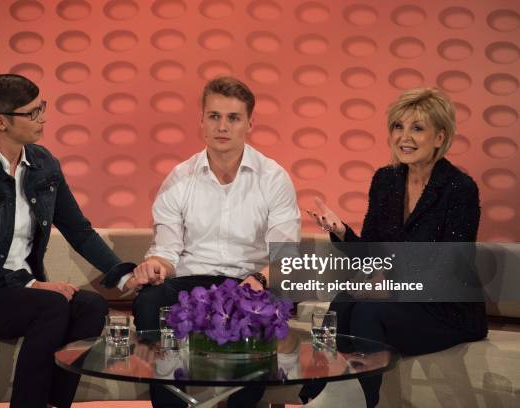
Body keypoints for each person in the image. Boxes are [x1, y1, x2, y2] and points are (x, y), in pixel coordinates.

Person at [0, 74, 129, 408]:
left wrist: (122, 274)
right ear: (1, 121)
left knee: (92, 306)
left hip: (18, 292)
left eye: (42, 108)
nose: (43, 118)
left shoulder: (43, 164)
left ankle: (55, 403)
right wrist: (32, 284)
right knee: (50, 306)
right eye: (32, 113)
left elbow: (79, 230)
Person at [120, 76, 301, 407]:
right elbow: (166, 251)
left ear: (249, 123)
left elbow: (285, 255)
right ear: (201, 121)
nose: (223, 126)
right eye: (214, 116)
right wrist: (154, 266)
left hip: (251, 281)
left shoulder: (273, 178)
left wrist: (259, 279)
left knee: (259, 311)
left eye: (233, 118)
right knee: (149, 302)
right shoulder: (180, 178)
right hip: (192, 281)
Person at [301, 87, 487, 407]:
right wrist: (342, 231)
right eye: (398, 127)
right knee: (341, 302)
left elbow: (447, 268)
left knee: (369, 311)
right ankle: (320, 391)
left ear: (440, 137)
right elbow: (372, 254)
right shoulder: (386, 181)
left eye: (417, 128)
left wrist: (388, 286)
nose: (404, 137)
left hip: (444, 308)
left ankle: (362, 400)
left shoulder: (459, 190)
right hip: (400, 297)